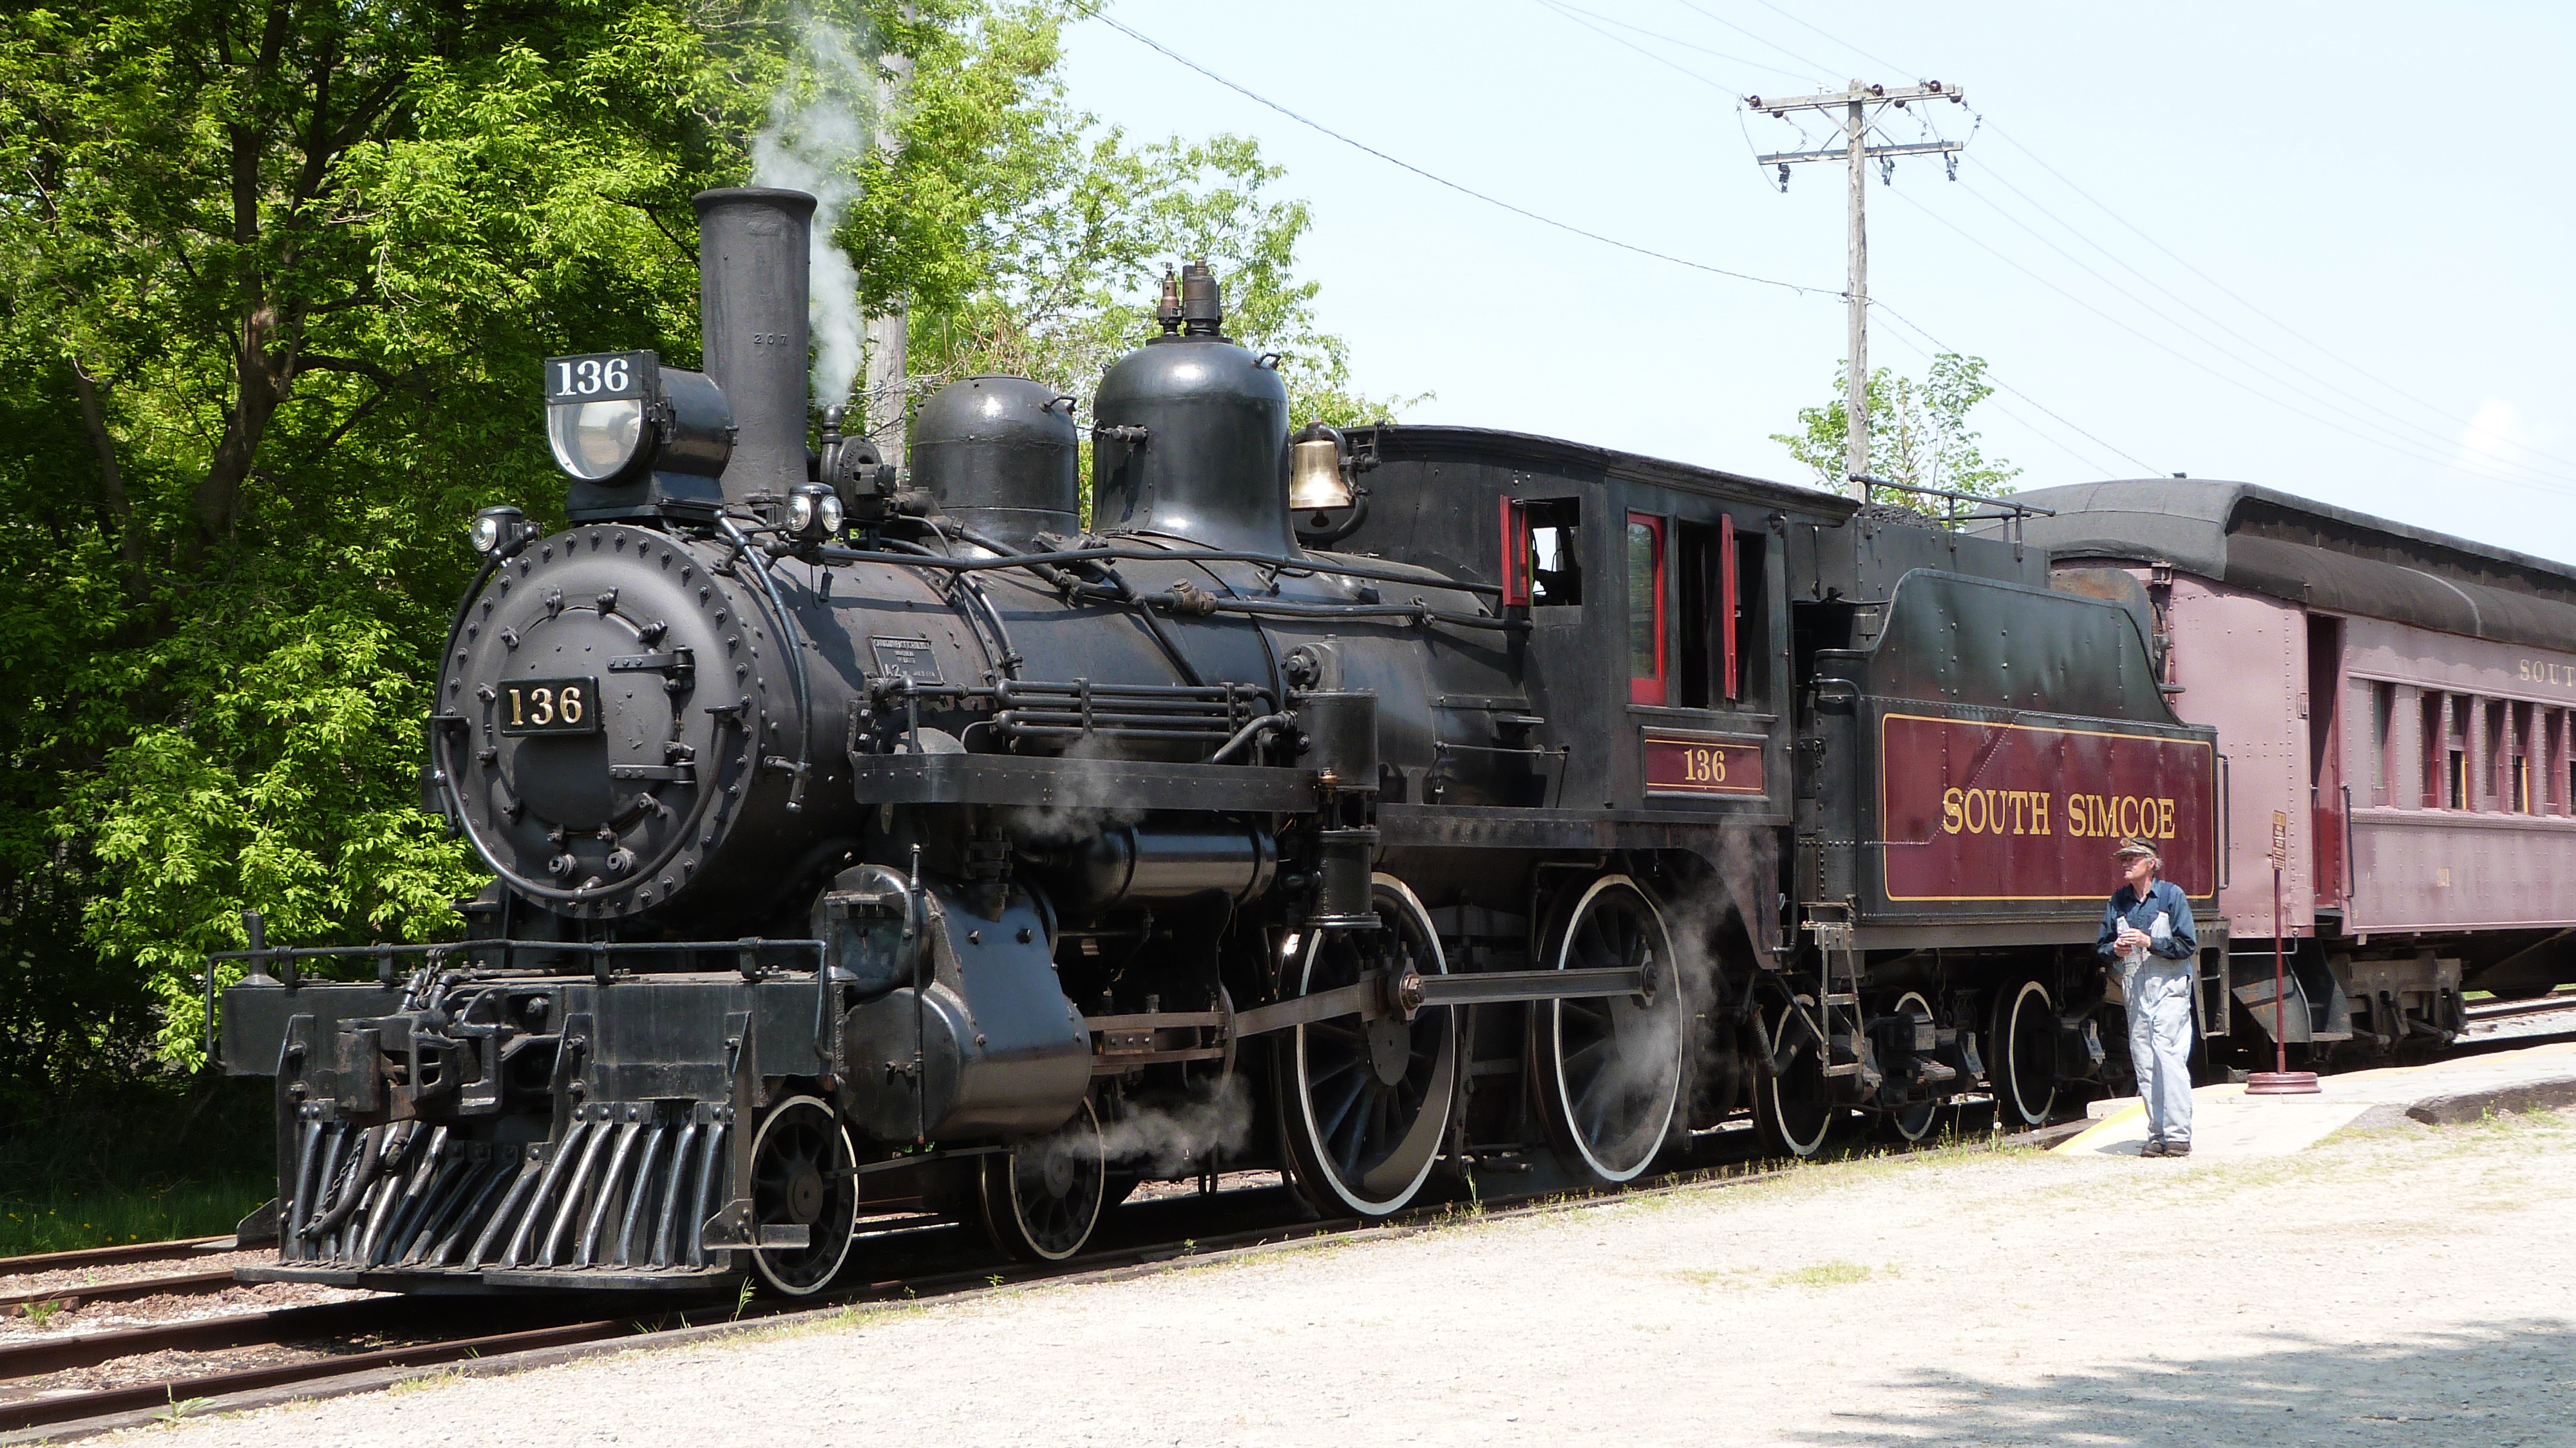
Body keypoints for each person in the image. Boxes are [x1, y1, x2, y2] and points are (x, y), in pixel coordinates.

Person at [2098, 837, 2199, 1157]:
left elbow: (2187, 944)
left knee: (2168, 1055)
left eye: (2133, 859)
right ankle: (2157, 1134)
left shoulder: (2172, 897)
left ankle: (2179, 1134)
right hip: (2135, 990)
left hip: (2170, 987)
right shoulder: (2118, 902)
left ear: (2151, 863)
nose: (2126, 864)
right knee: (2144, 1062)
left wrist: (2148, 941)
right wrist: (2115, 949)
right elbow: (2101, 947)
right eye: (2123, 860)